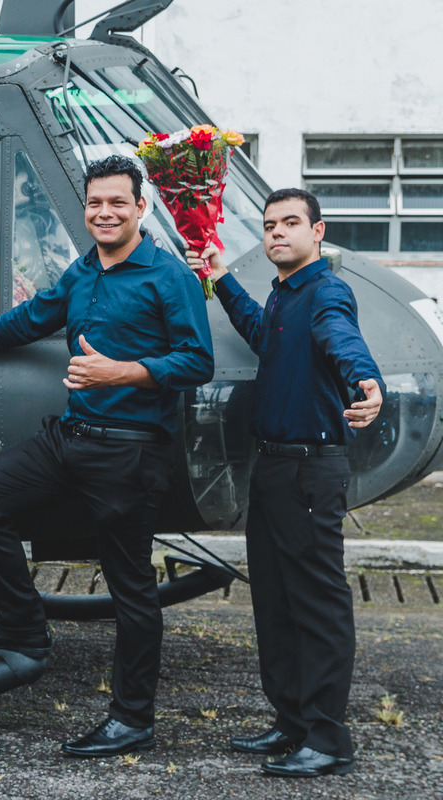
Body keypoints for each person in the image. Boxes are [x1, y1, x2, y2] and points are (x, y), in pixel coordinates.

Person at [0, 154, 213, 758]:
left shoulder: (168, 275)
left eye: (117, 203)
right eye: (95, 203)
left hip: (129, 452)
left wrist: (121, 373)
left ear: (140, 207)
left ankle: (133, 720)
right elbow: (30, 318)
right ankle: (23, 624)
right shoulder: (83, 272)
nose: (105, 213)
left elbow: (197, 361)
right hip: (72, 437)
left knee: (131, 587)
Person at [186, 188, 383, 778]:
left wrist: (366, 383)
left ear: (318, 231)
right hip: (272, 468)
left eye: (291, 223)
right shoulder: (281, 297)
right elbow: (260, 333)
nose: (276, 233)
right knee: (274, 601)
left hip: (310, 469)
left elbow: (341, 340)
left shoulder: (326, 292)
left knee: (317, 604)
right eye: (270, 225)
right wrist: (222, 279)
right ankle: (292, 721)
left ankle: (328, 738)